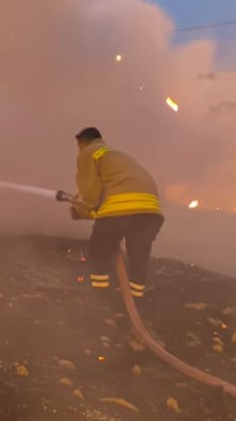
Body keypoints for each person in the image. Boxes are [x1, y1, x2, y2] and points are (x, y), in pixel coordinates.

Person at [70, 127, 165, 300]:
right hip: (151, 212)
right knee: (138, 255)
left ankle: (100, 296)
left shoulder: (90, 152)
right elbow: (105, 206)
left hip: (121, 210)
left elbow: (90, 192)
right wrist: (90, 210)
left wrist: (79, 209)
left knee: (99, 247)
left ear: (83, 142)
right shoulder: (117, 157)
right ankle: (135, 299)